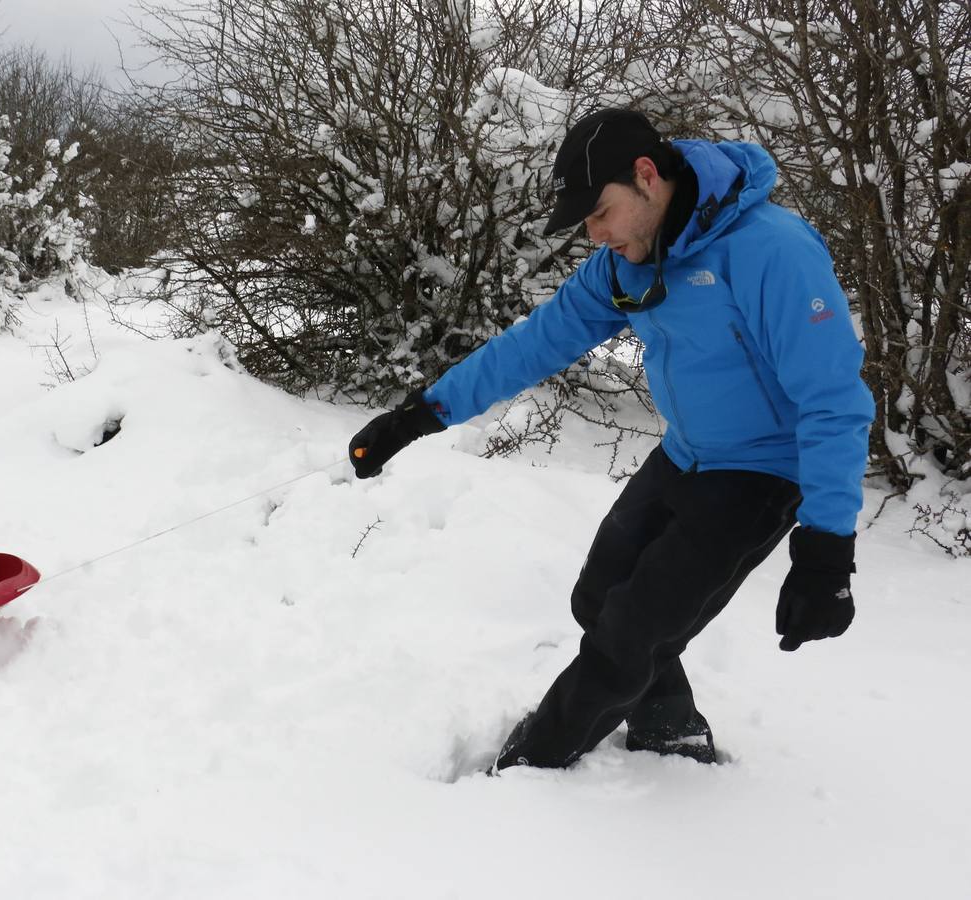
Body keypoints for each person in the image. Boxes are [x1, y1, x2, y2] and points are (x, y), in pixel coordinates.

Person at [348, 108, 874, 770]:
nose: (595, 235)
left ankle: (535, 766)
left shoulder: (772, 251)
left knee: (627, 637)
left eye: (600, 213)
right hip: (687, 454)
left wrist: (826, 551)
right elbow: (536, 342)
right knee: (597, 599)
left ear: (647, 177)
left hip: (762, 475)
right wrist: (420, 414)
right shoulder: (627, 265)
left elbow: (833, 399)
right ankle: (670, 724)